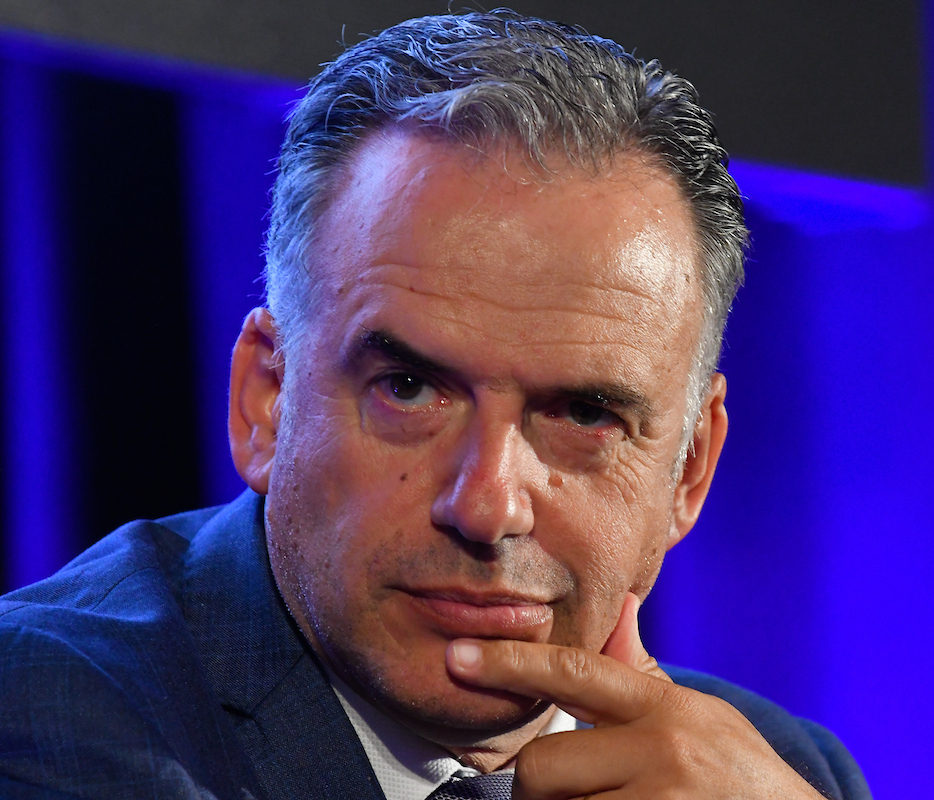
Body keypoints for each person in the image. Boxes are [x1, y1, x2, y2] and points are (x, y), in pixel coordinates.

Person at [0, 11, 871, 800]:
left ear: (688, 469)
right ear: (266, 400)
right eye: (410, 389)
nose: (487, 507)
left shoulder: (782, 770)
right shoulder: (44, 708)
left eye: (584, 415)